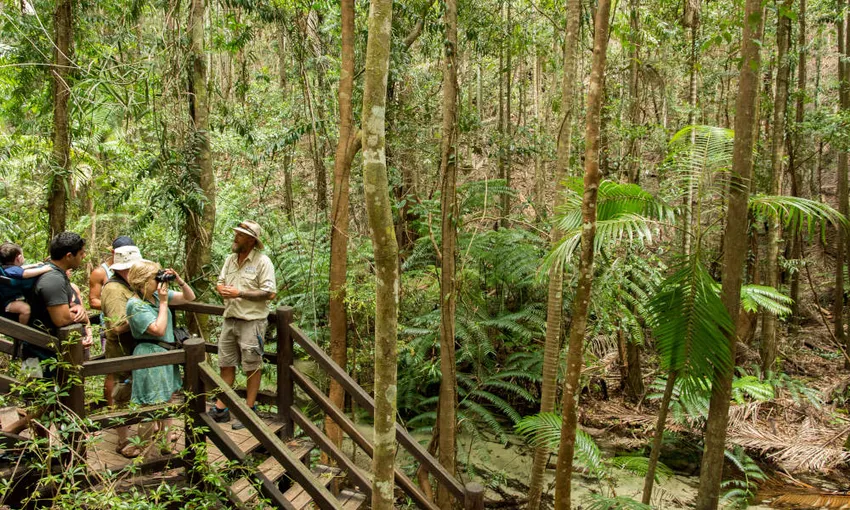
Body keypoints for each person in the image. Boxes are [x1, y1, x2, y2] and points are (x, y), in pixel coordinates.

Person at [123, 260, 195, 458]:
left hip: (166, 354)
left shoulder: (155, 295)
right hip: (149, 355)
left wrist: (179, 281)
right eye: (155, 278)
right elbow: (158, 329)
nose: (159, 281)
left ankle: (166, 444)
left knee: (167, 398)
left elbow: (189, 297)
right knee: (150, 404)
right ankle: (144, 450)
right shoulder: (135, 305)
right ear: (143, 282)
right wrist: (164, 303)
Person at [208, 221, 276, 430]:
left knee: (252, 367)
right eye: (236, 233)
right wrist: (221, 288)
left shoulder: (263, 262)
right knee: (225, 363)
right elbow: (220, 281)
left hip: (252, 321)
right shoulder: (230, 260)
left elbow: (270, 293)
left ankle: (249, 410)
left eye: (240, 235)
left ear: (251, 240)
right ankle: (221, 408)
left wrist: (240, 293)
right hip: (230, 318)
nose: (235, 237)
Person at [25, 232, 91, 376]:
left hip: (48, 350)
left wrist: (77, 308)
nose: (84, 256)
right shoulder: (53, 278)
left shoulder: (57, 273)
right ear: (69, 256)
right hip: (40, 352)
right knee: (37, 388)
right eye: (81, 253)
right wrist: (82, 317)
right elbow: (61, 319)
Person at [100, 246, 145, 450]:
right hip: (120, 349)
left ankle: (140, 434)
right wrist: (144, 317)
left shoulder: (129, 285)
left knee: (135, 390)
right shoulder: (114, 289)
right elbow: (117, 326)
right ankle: (123, 440)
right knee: (122, 393)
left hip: (133, 348)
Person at [0, 242, 52, 324]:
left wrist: (33, 265)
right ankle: (21, 328)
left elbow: (20, 269)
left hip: (9, 298)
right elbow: (25, 274)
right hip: (7, 303)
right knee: (25, 309)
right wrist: (43, 269)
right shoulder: (13, 270)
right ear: (19, 258)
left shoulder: (7, 268)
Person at [89, 236, 135, 312]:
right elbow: (93, 302)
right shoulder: (100, 272)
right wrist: (116, 304)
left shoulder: (135, 268)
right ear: (113, 252)